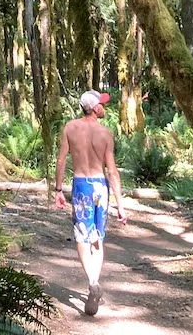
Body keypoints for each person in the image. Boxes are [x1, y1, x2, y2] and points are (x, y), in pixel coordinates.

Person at [54, 89, 128, 316]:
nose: (105, 107)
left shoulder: (69, 128)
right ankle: (95, 281)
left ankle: (93, 282)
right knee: (97, 236)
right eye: (102, 104)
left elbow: (61, 160)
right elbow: (112, 171)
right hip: (100, 187)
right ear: (95, 108)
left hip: (81, 187)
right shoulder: (105, 133)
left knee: (82, 236)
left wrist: (58, 189)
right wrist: (120, 204)